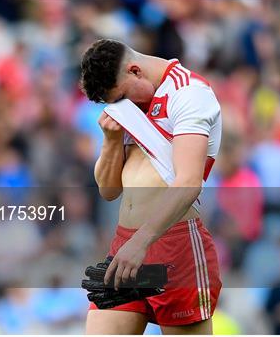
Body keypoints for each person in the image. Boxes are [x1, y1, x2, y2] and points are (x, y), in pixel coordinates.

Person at [80, 39, 222, 334]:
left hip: (175, 245)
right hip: (126, 243)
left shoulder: (189, 93)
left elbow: (188, 183)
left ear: (135, 71)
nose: (120, 107)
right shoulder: (128, 106)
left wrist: (140, 243)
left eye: (120, 97)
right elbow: (108, 191)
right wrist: (111, 140)